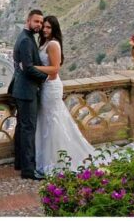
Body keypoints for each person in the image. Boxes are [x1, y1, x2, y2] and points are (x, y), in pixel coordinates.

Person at [30, 15, 101, 174]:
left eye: (49, 27)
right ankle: (47, 158)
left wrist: (32, 67)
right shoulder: (44, 43)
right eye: (44, 27)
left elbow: (55, 70)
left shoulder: (53, 44)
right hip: (45, 86)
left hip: (51, 87)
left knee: (53, 122)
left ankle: (56, 161)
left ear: (54, 29)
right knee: (47, 121)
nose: (45, 29)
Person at [7, 9, 49, 180]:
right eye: (36, 21)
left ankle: (20, 163)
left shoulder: (26, 37)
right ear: (28, 20)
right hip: (26, 92)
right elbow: (29, 68)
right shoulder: (25, 40)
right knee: (28, 130)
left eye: (41, 22)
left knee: (22, 128)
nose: (39, 25)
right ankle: (28, 170)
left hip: (22, 90)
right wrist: (47, 77)